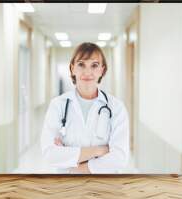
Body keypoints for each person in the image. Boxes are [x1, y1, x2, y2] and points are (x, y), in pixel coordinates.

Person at [40, 42, 130, 174]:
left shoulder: (116, 107)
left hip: (103, 186)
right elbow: (49, 154)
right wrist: (99, 150)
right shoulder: (58, 105)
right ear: (72, 69)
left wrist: (79, 167)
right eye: (81, 64)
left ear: (102, 70)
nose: (87, 72)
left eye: (94, 65)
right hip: (67, 187)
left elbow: (120, 158)